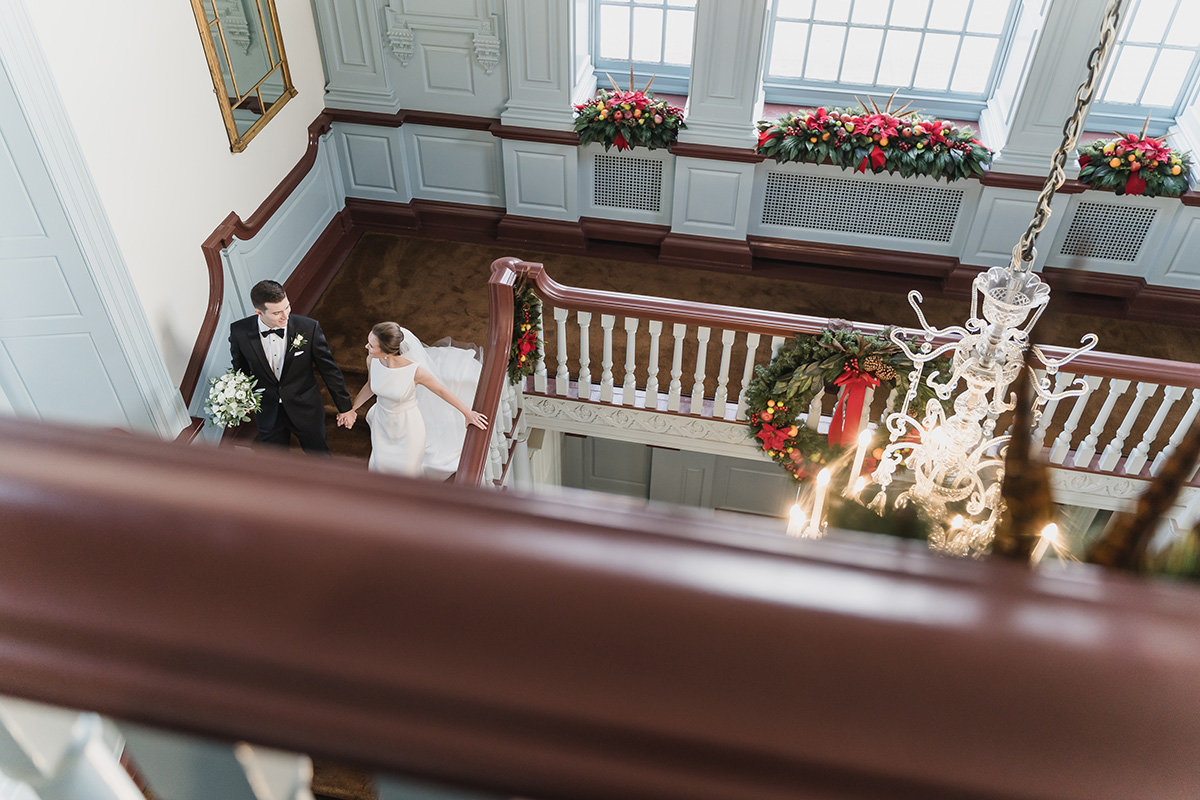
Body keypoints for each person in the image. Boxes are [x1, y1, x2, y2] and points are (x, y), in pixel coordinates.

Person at [344, 322, 488, 478]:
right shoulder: (372, 360)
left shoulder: (415, 371)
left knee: (408, 472)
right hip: (382, 424)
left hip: (408, 427)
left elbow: (441, 391)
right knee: (381, 467)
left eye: (371, 345)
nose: (366, 347)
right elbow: (371, 386)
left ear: (386, 351)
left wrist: (467, 413)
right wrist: (352, 409)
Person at [229, 279, 354, 454]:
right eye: (277, 313)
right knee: (274, 463)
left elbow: (329, 370)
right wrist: (242, 399)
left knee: (319, 456)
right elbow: (240, 370)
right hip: (268, 411)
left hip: (306, 408)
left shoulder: (308, 327)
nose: (285, 316)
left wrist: (345, 407)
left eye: (287, 307)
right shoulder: (239, 331)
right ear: (259, 312)